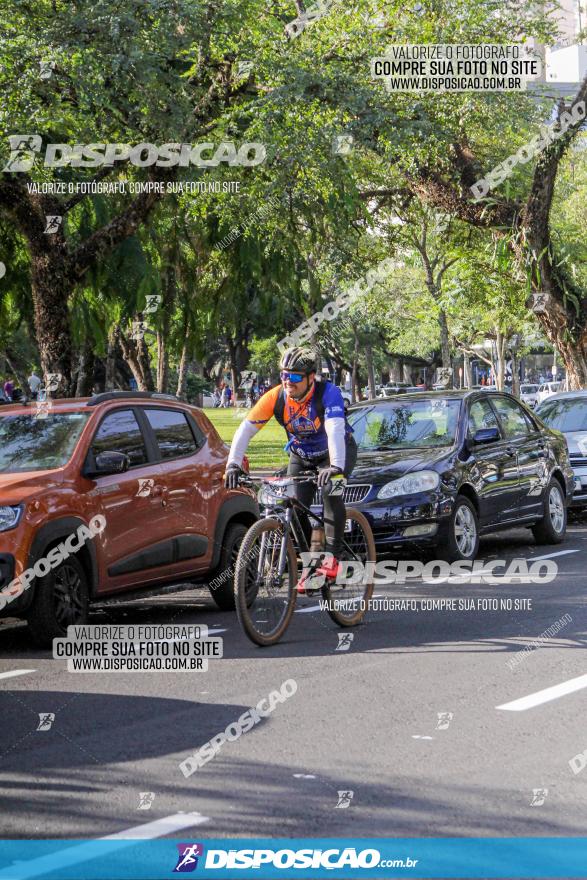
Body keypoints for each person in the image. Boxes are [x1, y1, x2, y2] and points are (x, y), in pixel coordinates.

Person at [224, 347, 357, 586]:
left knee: (331, 493)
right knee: (293, 507)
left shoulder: (329, 393)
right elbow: (245, 430)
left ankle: (333, 560)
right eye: (284, 376)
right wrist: (232, 465)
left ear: (311, 377)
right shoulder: (276, 397)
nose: (288, 382)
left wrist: (336, 466)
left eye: (295, 377)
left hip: (336, 453)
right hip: (302, 455)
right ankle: (310, 564)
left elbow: (335, 429)